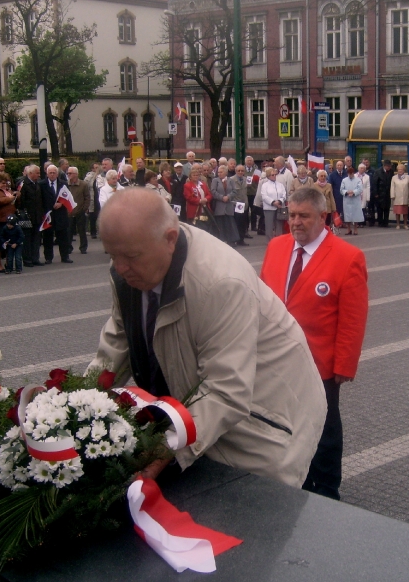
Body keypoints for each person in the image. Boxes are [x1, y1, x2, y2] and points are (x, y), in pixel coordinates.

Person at [88, 189, 327, 488]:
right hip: (197, 420)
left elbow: (225, 391)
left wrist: (164, 449)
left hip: (262, 429)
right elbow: (115, 346)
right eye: (112, 255)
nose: (120, 268)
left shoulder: (221, 282)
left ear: (170, 239)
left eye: (131, 256)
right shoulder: (130, 267)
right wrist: (73, 406)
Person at [259, 186, 368, 499]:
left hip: (320, 364)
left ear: (323, 217)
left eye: (304, 216)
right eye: (292, 215)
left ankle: (328, 487)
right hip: (278, 361)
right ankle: (299, 480)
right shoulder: (277, 247)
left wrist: (344, 365)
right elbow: (262, 300)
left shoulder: (348, 257)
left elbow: (353, 319)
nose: (295, 222)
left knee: (325, 427)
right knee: (285, 424)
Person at [39, 165, 71, 264]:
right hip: (48, 215)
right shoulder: (42, 184)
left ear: (57, 174)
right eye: (50, 173)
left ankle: (65, 257)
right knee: (47, 237)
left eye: (54, 173)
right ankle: (48, 257)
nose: (52, 175)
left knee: (63, 237)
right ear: (47, 173)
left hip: (60, 214)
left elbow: (68, 197)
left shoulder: (63, 183)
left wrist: (61, 203)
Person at [0, 172, 19, 273]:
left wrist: (17, 196)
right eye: (2, 183)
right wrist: (10, 198)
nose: (4, 184)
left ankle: (8, 262)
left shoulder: (9, 191)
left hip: (10, 220)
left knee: (9, 242)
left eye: (6, 182)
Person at [210, 164, 239, 246]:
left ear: (226, 173)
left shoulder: (231, 180)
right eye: (218, 172)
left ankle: (231, 240)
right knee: (220, 224)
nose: (219, 174)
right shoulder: (215, 180)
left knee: (229, 223)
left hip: (228, 205)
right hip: (219, 206)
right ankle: (221, 240)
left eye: (221, 172)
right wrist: (222, 197)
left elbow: (234, 191)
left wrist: (228, 197)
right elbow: (213, 191)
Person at [66, 167, 91, 255]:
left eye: (70, 173)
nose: (68, 175)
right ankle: (68, 247)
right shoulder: (66, 184)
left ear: (76, 174)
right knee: (69, 231)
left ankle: (83, 247)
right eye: (68, 173)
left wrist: (84, 208)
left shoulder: (83, 184)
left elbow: (87, 197)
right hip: (69, 211)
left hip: (80, 211)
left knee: (82, 231)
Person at [260, 167, 287, 241]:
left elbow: (284, 194)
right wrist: (273, 202)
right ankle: (270, 241)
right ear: (268, 176)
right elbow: (264, 196)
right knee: (269, 226)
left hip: (279, 207)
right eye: (272, 175)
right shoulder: (265, 185)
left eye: (275, 175)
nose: (274, 176)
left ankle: (279, 241)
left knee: (279, 225)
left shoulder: (280, 185)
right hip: (269, 208)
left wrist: (280, 201)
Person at [227, 165, 250, 245]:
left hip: (244, 204)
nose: (240, 172)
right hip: (236, 204)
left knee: (243, 223)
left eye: (242, 171)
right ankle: (233, 240)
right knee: (235, 223)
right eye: (238, 171)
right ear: (236, 171)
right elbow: (229, 192)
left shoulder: (245, 179)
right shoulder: (231, 179)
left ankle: (241, 240)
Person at [340, 167, 364, 236]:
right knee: (347, 215)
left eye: (352, 173)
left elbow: (360, 189)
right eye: (349, 174)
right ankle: (348, 229)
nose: (350, 175)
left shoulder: (358, 180)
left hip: (355, 199)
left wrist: (353, 192)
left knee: (355, 214)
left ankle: (355, 229)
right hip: (347, 199)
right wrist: (347, 192)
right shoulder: (344, 180)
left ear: (353, 173)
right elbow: (341, 189)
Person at [371, 159, 394, 227]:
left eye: (390, 166)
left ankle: (386, 222)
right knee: (380, 208)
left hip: (388, 193)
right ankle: (380, 222)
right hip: (380, 193)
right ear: (384, 166)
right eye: (388, 166)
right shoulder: (378, 172)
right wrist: (375, 193)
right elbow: (374, 183)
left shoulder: (391, 171)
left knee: (387, 208)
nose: (389, 168)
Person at [390, 163, 409, 229]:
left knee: (405, 212)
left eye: (401, 169)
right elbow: (392, 187)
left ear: (404, 170)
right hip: (397, 197)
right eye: (399, 169)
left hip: (405, 196)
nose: (400, 171)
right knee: (398, 212)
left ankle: (405, 224)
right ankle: (398, 224)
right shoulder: (394, 177)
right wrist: (392, 195)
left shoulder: (408, 177)